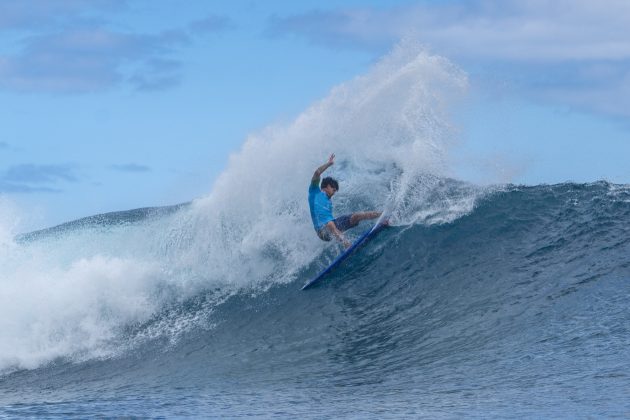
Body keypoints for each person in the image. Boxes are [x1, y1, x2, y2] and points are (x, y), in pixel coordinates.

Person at [308, 153, 382, 248]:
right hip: (322, 232)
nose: (334, 192)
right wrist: (329, 164)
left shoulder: (329, 201)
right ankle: (347, 245)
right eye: (333, 189)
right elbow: (317, 173)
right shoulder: (314, 192)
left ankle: (383, 215)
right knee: (330, 224)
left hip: (333, 225)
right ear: (326, 186)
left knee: (356, 216)